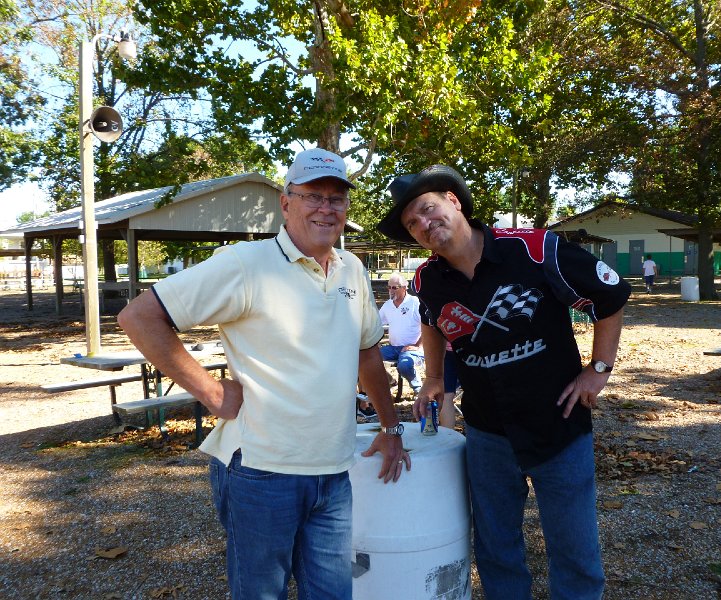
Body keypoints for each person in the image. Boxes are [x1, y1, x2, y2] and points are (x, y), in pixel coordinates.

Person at [118, 148, 410, 600]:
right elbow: (139, 317)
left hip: (333, 472)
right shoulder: (245, 264)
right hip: (261, 471)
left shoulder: (351, 267)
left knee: (333, 594)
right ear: (286, 202)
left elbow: (368, 355)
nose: (325, 208)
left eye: (336, 198)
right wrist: (211, 392)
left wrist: (391, 427)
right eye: (313, 195)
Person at [377, 164, 631, 600]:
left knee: (573, 549)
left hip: (558, 424)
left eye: (427, 209)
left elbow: (610, 295)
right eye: (412, 223)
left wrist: (599, 369)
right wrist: (435, 376)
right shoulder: (426, 279)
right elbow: (431, 320)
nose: (423, 224)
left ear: (453, 201)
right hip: (488, 433)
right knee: (496, 549)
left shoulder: (536, 249)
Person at [378, 272, 425, 395]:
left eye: (394, 287)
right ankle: (390, 381)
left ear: (404, 288)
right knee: (368, 358)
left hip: (412, 348)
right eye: (389, 287)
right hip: (393, 347)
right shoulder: (387, 305)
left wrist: (417, 346)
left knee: (404, 365)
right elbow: (375, 323)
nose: (391, 290)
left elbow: (428, 326)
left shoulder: (415, 303)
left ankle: (418, 389)